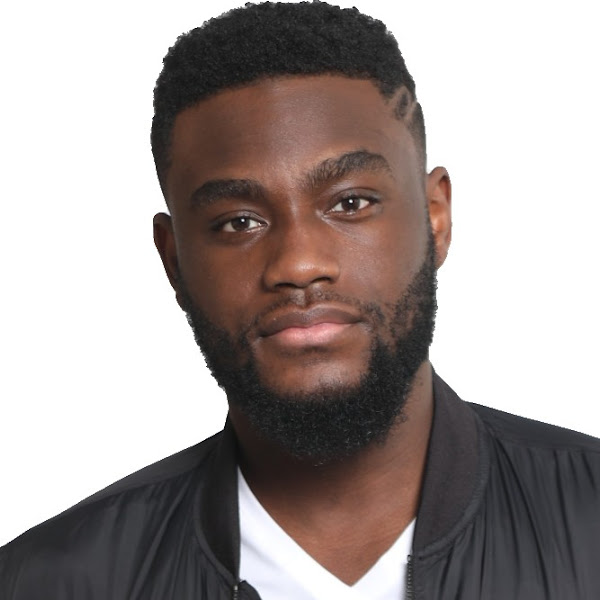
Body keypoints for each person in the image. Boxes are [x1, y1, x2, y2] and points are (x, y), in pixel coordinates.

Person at [1, 2, 599, 598]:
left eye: (350, 203)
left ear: (435, 217)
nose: (299, 263)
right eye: (238, 221)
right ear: (174, 261)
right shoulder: (49, 583)